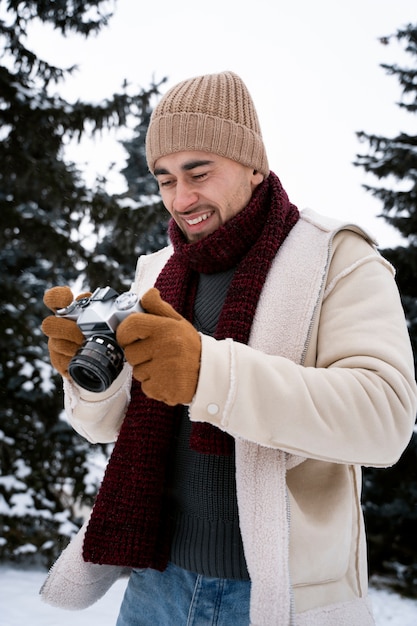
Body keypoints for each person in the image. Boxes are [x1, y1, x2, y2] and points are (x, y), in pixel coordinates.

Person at [41, 71, 417, 626]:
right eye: (164, 179)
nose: (181, 197)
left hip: (277, 596)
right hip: (153, 582)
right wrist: (86, 376)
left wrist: (207, 371)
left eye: (199, 172)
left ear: (254, 165)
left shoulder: (339, 257)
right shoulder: (156, 273)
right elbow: (109, 427)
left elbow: (385, 420)